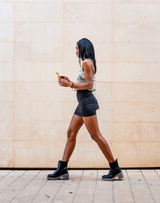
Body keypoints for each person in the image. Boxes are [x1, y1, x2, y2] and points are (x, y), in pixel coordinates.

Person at [47, 38, 123, 181]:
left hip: (87, 102)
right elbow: (83, 82)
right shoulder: (86, 62)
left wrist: (69, 84)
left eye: (77, 48)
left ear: (83, 48)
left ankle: (115, 168)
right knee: (71, 133)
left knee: (96, 136)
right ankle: (62, 168)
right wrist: (70, 82)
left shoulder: (86, 62)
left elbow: (89, 85)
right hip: (82, 103)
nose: (75, 51)